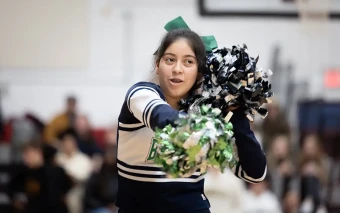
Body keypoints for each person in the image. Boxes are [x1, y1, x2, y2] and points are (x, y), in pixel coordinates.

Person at [116, 28, 267, 213]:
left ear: (199, 72)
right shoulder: (140, 94)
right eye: (170, 60)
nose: (177, 69)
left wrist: (237, 115)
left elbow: (255, 173)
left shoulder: (207, 111)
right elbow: (162, 117)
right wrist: (204, 131)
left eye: (188, 62)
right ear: (157, 64)